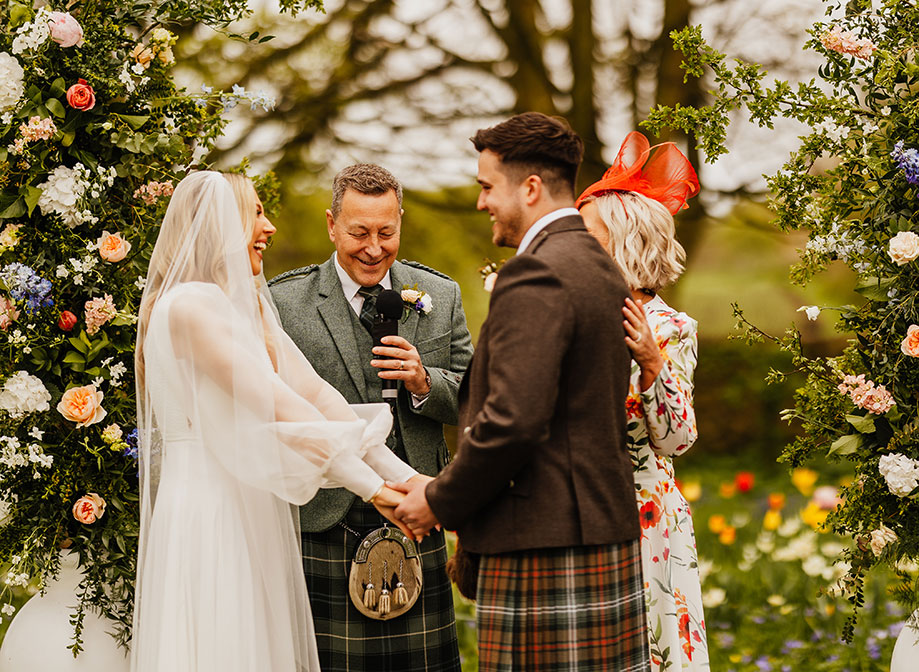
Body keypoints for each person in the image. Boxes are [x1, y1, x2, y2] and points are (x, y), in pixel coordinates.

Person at [131, 171, 418, 672]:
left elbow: (315, 396)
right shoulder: (188, 308)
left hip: (248, 506)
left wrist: (409, 479)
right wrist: (372, 489)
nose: (269, 227)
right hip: (209, 512)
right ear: (219, 227)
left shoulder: (242, 310)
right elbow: (274, 405)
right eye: (255, 213)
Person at [393, 112, 650, 672]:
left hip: (545, 541)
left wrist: (437, 499)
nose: (481, 202)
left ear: (530, 188)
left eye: (488, 186)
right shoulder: (598, 266)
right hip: (599, 531)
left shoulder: (536, 272)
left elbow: (513, 419)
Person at [268, 164, 472, 672]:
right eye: (359, 232)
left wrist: (426, 381)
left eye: (387, 232)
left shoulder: (438, 295)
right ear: (332, 225)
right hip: (321, 517)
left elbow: (476, 396)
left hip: (415, 508)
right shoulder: (283, 301)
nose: (374, 247)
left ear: (400, 221)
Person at [576, 131, 709, 671]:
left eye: (588, 236)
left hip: (647, 520)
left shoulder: (671, 327)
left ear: (626, 243)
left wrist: (653, 364)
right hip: (579, 511)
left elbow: (678, 439)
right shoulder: (577, 315)